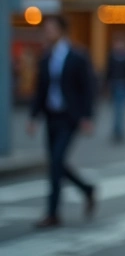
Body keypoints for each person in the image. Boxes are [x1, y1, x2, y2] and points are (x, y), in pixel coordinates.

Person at [26, 15, 98, 228]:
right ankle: (86, 189)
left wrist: (87, 116)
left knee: (56, 161)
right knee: (55, 164)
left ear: (61, 31)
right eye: (45, 29)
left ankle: (52, 212)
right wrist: (33, 117)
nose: (47, 33)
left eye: (50, 29)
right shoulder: (45, 57)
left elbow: (88, 88)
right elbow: (40, 90)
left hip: (70, 117)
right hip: (51, 115)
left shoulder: (77, 56)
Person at [104, 36, 125, 143]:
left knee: (121, 109)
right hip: (114, 84)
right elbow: (108, 72)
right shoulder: (112, 56)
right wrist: (106, 86)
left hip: (124, 84)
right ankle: (116, 130)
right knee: (116, 109)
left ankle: (120, 130)